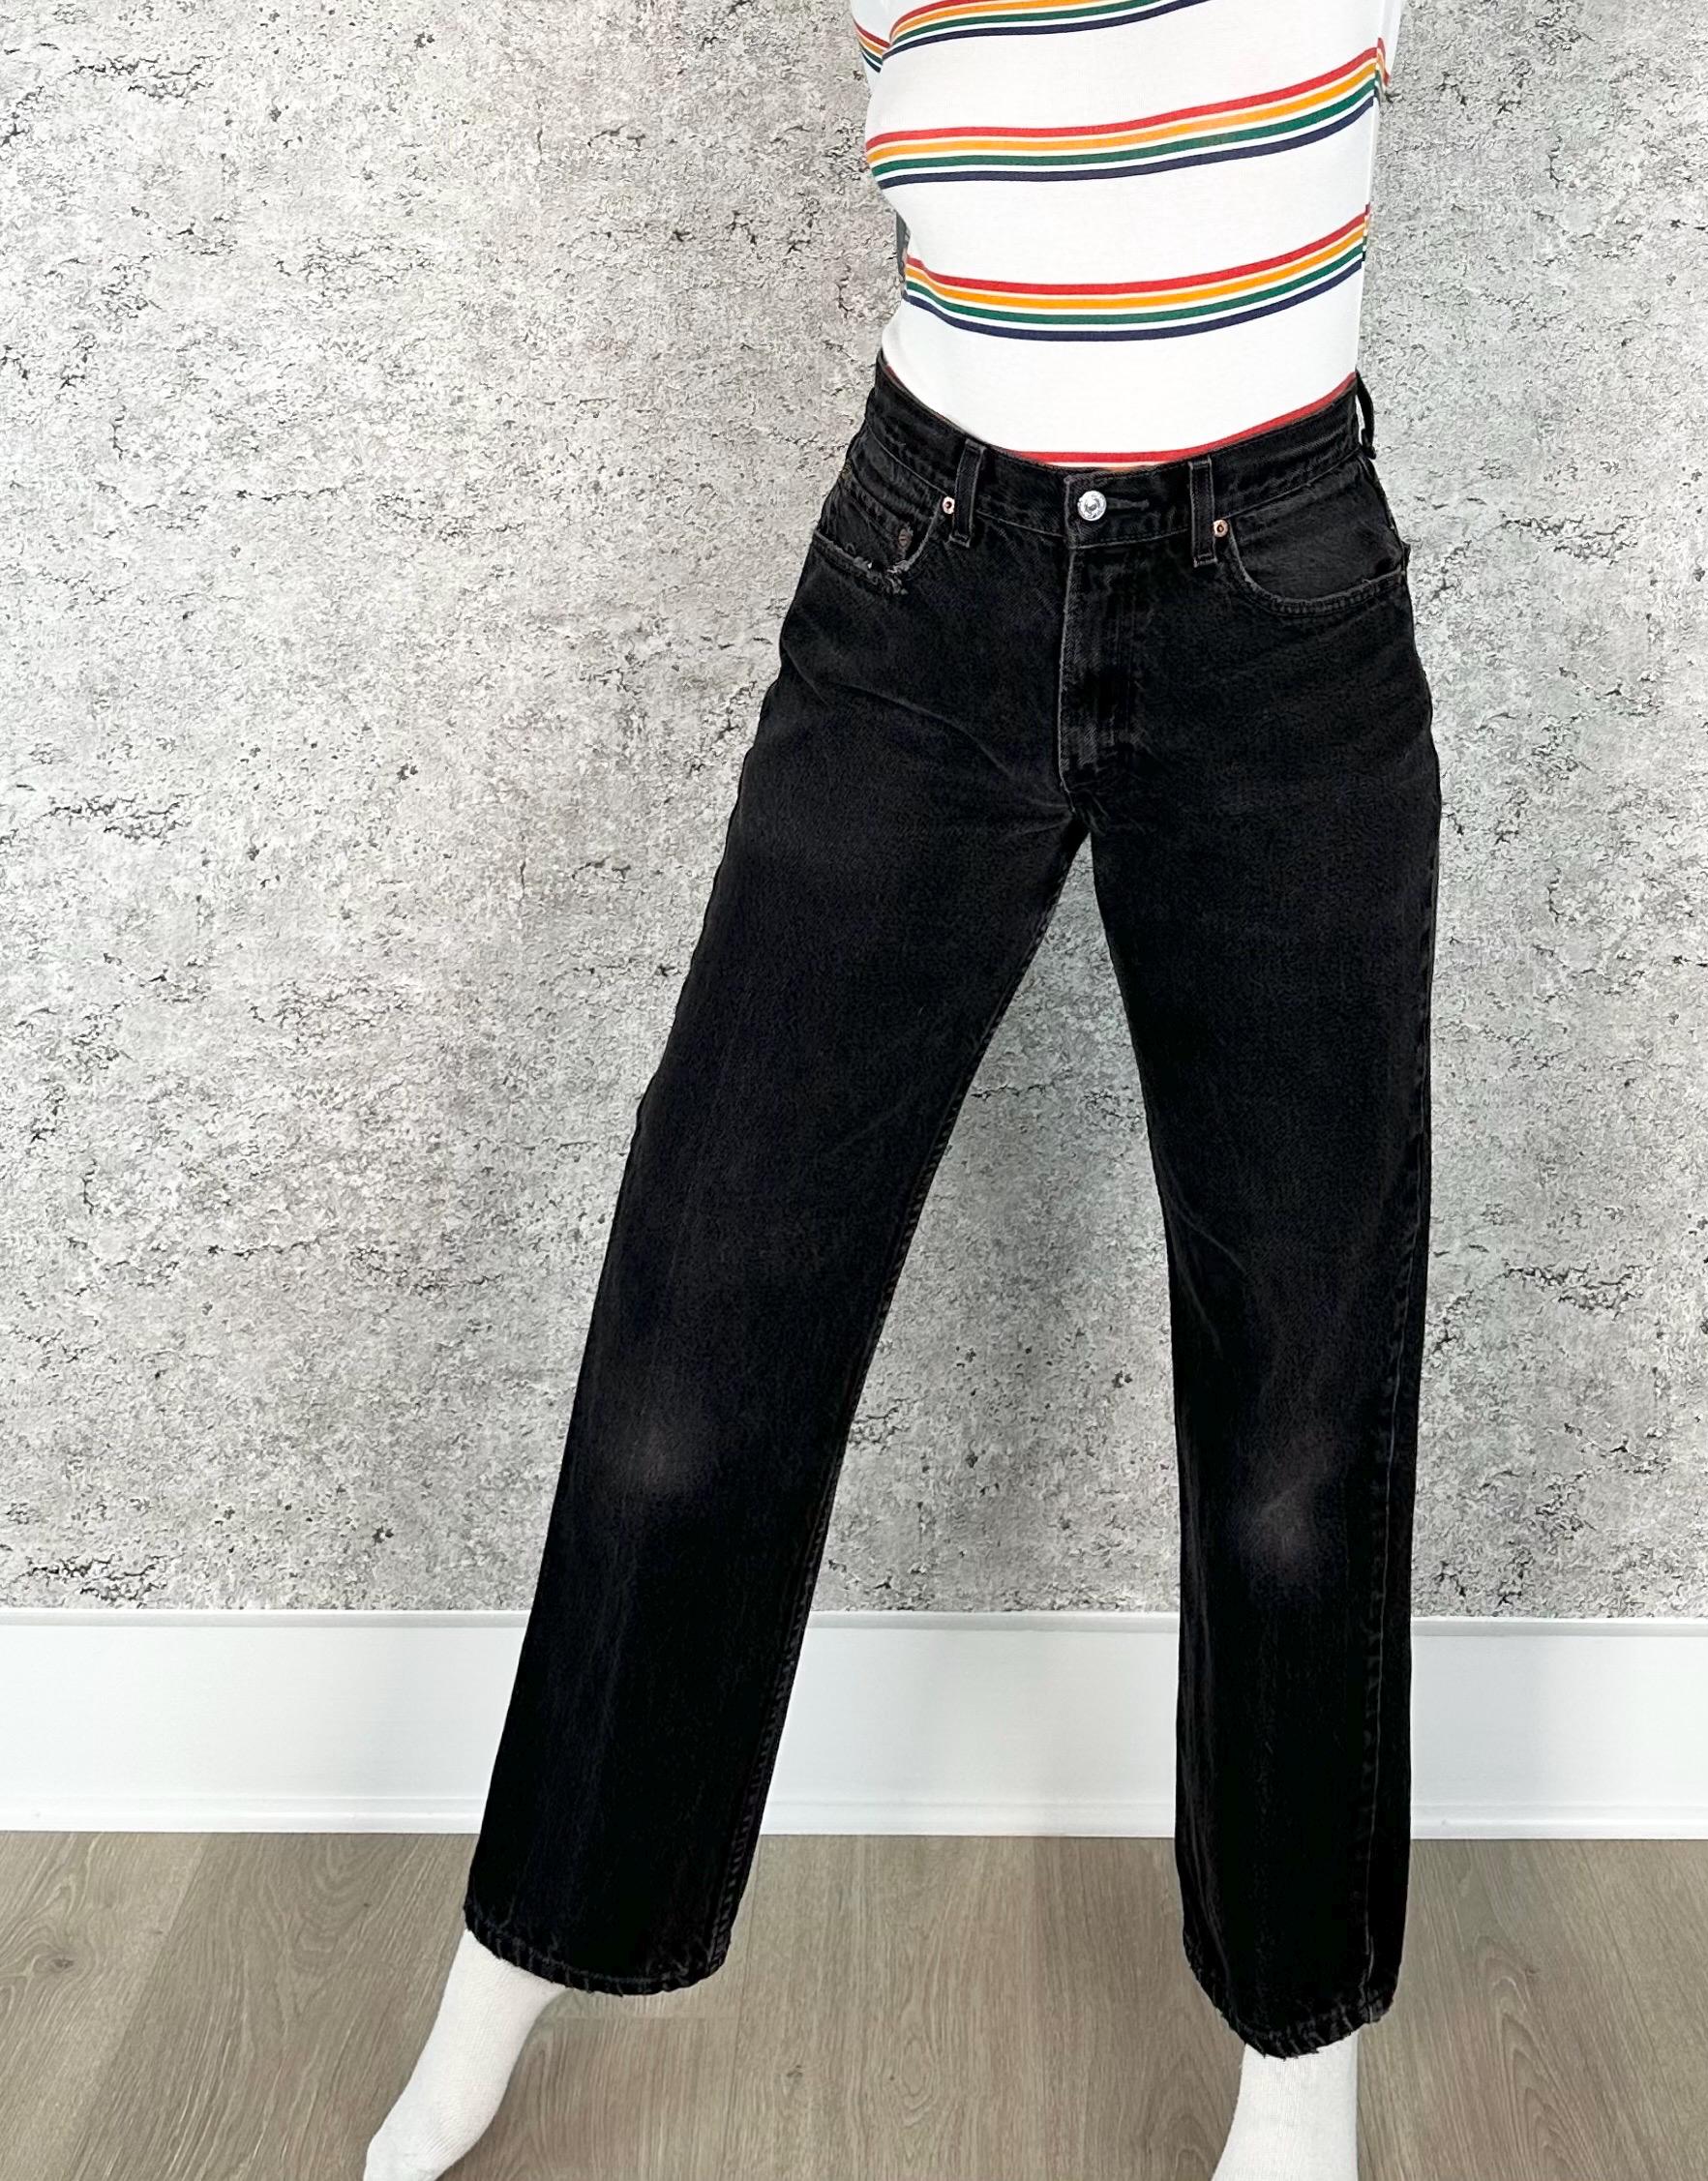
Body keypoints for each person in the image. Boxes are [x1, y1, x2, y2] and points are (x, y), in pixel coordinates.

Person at [366, 1, 1433, 2175]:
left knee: (1301, 1396)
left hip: (1284, 599)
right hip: (930, 580)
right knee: (703, 1323)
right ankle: (521, 1950)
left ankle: (1300, 2064)